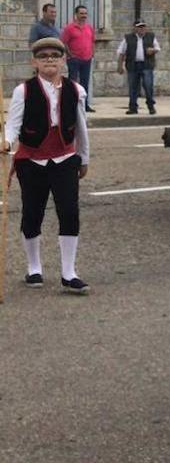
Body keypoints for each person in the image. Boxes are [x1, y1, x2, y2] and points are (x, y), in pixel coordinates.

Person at [1, 37, 90, 294]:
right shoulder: (23, 91)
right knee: (32, 212)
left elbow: (81, 129)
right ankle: (34, 267)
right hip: (31, 160)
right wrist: (6, 141)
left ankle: (68, 273)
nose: (49, 59)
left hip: (64, 158)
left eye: (55, 55)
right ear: (34, 62)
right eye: (43, 56)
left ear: (64, 60)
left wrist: (84, 158)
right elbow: (13, 124)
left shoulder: (76, 90)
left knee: (70, 212)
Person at [116, 20, 160, 115]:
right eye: (139, 27)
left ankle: (150, 106)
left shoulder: (151, 36)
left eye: (143, 26)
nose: (142, 28)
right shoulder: (128, 38)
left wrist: (152, 50)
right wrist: (120, 66)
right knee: (133, 87)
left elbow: (157, 48)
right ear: (135, 28)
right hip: (133, 65)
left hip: (146, 65)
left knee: (148, 86)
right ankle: (133, 107)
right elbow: (121, 52)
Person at [61, 4, 96, 113]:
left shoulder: (89, 27)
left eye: (85, 13)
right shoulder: (69, 28)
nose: (84, 16)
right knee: (73, 82)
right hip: (74, 59)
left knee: (85, 83)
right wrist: (70, 54)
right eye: (81, 13)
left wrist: (92, 53)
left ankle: (85, 105)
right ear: (76, 14)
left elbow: (92, 41)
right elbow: (64, 42)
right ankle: (72, 105)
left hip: (87, 59)